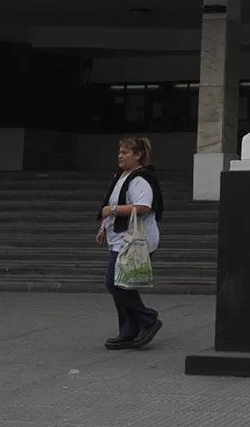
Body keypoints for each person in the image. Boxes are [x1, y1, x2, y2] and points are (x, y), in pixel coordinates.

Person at [95, 136, 164, 350]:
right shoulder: (122, 176)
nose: (120, 155)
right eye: (120, 152)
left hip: (135, 239)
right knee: (122, 284)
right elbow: (113, 203)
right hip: (121, 237)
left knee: (115, 283)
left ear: (138, 155)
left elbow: (144, 206)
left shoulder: (140, 179)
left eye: (125, 152)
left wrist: (112, 211)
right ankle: (128, 331)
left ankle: (148, 319)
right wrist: (103, 225)